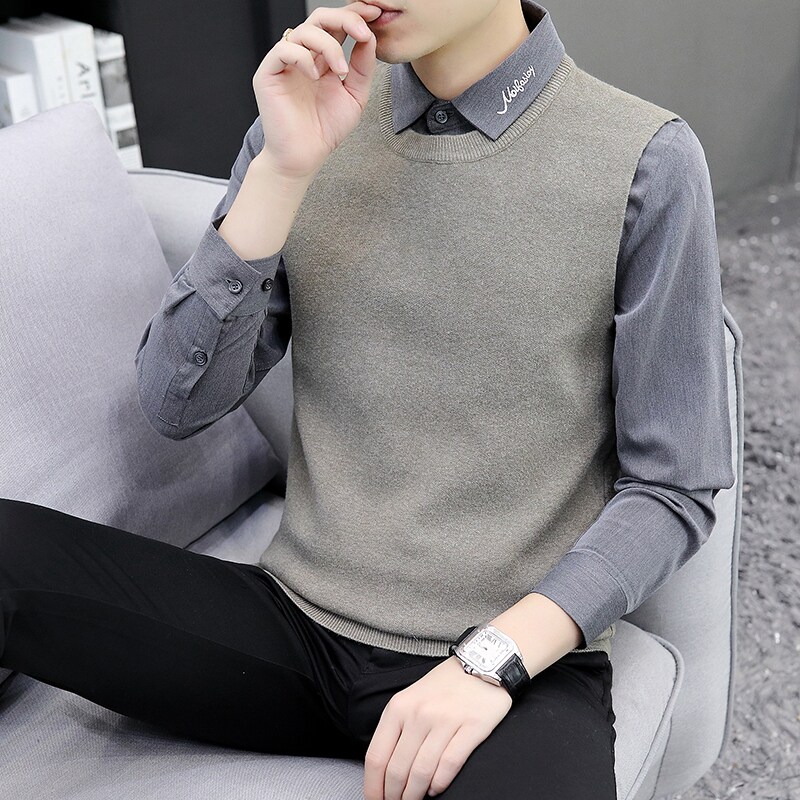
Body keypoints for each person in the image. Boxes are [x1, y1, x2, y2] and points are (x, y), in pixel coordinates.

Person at [0, 1, 735, 798]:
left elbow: (672, 487)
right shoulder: (307, 124)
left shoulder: (645, 159)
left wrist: (489, 662)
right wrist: (281, 172)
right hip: (293, 629)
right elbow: (177, 404)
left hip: (514, 668)